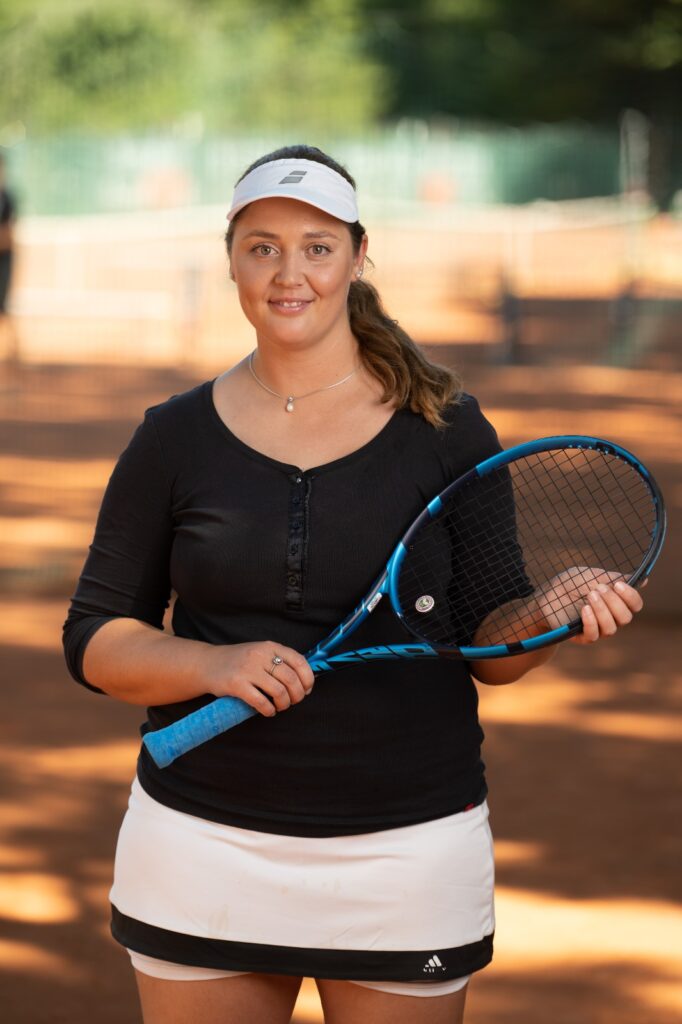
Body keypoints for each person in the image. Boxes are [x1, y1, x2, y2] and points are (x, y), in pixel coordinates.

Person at [62, 144, 645, 1024]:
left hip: (408, 850)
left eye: (317, 247)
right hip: (201, 841)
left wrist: (549, 610)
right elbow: (96, 637)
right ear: (231, 260)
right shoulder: (171, 438)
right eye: (262, 247)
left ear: (358, 257)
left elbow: (490, 646)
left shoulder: (446, 430)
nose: (288, 273)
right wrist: (213, 666)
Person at [0, 150, 19, 366]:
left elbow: (9, 233)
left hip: (4, 259)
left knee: (3, 306)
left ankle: (14, 349)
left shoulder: (8, 198)